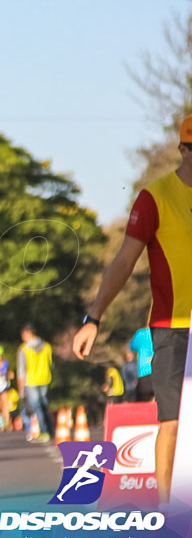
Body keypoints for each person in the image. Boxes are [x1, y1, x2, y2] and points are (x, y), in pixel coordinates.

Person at [73, 116, 192, 505]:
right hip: (173, 328)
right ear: (182, 150)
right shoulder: (155, 197)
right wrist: (94, 317)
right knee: (171, 422)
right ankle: (167, 512)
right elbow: (124, 262)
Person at [18, 324, 53, 443]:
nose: (22, 337)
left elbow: (21, 370)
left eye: (23, 334)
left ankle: (44, 432)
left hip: (31, 380)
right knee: (44, 405)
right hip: (45, 378)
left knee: (37, 406)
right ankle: (50, 430)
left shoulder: (24, 349)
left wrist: (21, 387)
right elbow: (51, 364)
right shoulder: (47, 346)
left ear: (29, 333)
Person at [128, 326, 155, 402]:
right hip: (160, 371)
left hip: (145, 372)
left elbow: (132, 346)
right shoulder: (161, 331)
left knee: (141, 402)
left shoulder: (141, 334)